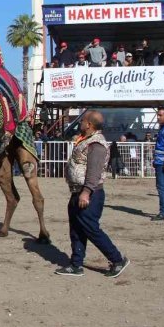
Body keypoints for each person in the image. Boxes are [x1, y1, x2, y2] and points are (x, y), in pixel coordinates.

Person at [54, 111, 129, 278]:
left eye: (82, 121)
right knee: (76, 229)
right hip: (77, 191)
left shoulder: (97, 144)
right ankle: (76, 264)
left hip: (89, 193)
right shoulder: (86, 140)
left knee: (90, 228)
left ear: (89, 124)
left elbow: (94, 172)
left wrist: (86, 192)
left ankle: (117, 259)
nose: (80, 123)